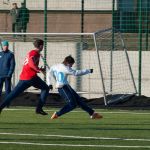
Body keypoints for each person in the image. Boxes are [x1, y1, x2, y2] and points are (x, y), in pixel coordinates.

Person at [0, 39, 52, 115]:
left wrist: (39, 69)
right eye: (42, 45)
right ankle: (39, 109)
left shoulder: (33, 52)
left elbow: (30, 64)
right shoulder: (34, 53)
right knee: (45, 88)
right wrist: (37, 69)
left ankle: (1, 107)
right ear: (40, 46)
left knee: (13, 94)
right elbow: (31, 63)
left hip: (25, 77)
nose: (43, 47)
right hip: (30, 77)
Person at [47, 55, 103, 119]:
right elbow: (76, 73)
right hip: (62, 88)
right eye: (71, 65)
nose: (71, 66)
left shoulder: (55, 66)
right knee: (72, 104)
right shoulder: (66, 68)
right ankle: (57, 114)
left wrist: (49, 84)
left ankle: (92, 113)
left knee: (79, 101)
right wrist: (88, 70)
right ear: (68, 63)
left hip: (67, 87)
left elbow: (49, 73)